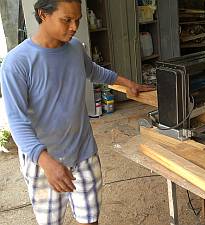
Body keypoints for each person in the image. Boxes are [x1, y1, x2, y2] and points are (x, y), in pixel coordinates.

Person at [0, 0, 154, 224]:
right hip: (43, 163)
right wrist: (46, 161)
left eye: (78, 20)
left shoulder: (75, 48)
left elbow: (93, 71)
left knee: (90, 219)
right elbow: (17, 122)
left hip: (83, 153)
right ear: (43, 14)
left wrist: (128, 83)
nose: (74, 27)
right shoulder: (17, 63)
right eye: (67, 20)